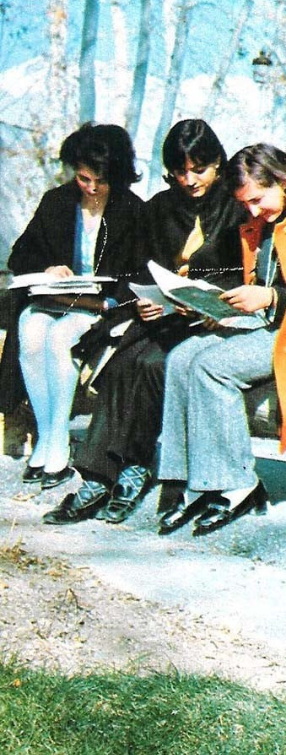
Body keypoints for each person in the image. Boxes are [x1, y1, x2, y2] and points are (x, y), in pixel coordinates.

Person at [44, 120, 245, 525]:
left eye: (199, 169)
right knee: (122, 366)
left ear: (219, 164)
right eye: (180, 171)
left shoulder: (237, 206)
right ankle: (97, 477)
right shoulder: (159, 207)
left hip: (212, 320)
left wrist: (199, 299)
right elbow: (140, 270)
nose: (189, 180)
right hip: (163, 316)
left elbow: (241, 274)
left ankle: (134, 468)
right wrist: (147, 299)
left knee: (155, 367)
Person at [155, 144, 286, 536]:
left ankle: (241, 485)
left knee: (211, 367)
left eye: (258, 199)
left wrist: (274, 297)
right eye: (246, 204)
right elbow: (259, 282)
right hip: (267, 322)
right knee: (181, 358)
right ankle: (184, 482)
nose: (253, 211)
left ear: (284, 179)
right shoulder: (261, 221)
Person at [6, 122, 145, 488]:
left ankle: (56, 446)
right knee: (31, 331)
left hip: (101, 308)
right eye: (85, 179)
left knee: (59, 338)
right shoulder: (57, 201)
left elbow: (141, 272)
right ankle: (51, 437)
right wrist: (47, 268)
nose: (93, 188)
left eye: (101, 180)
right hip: (55, 298)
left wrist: (112, 294)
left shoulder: (132, 209)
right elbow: (20, 255)